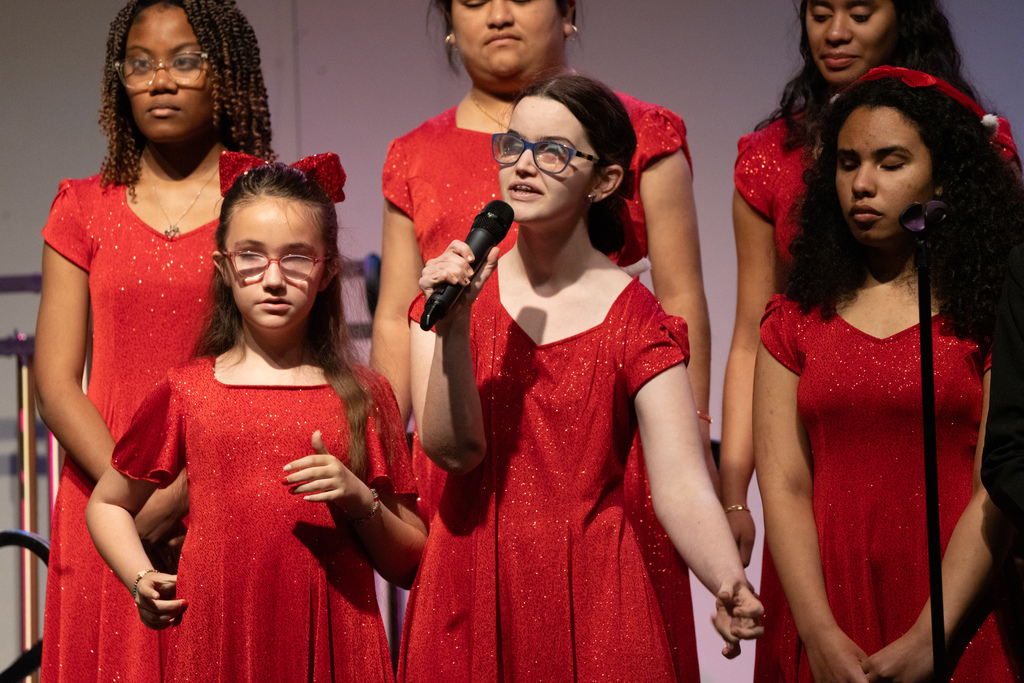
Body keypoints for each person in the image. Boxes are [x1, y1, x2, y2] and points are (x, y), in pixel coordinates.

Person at [374, 2, 711, 674]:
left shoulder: (643, 131)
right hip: (469, 455)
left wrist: (698, 465)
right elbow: (396, 315)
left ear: (567, 13)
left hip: (606, 472)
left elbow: (678, 301)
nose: (498, 12)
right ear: (447, 20)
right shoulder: (416, 154)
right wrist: (388, 463)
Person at [717, 2, 1019, 675]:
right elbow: (787, 486)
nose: (862, 183)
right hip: (824, 598)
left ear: (944, 178)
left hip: (955, 601)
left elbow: (995, 486)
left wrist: (929, 636)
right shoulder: (794, 322)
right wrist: (819, 634)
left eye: (889, 162)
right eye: (849, 162)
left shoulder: (986, 315)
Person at [85, 154, 426, 682]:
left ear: (327, 269)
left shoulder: (364, 395)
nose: (272, 279)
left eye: (295, 259)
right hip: (218, 637)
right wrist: (140, 578)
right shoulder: (189, 390)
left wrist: (361, 500)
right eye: (251, 257)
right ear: (223, 266)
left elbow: (409, 561)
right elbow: (107, 503)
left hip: (336, 635)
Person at [34, 0, 274, 679]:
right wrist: (131, 495)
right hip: (105, 503)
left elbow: (284, 365)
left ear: (224, 71)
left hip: (229, 494)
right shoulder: (82, 206)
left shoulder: (267, 203)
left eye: (184, 60)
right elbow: (55, 384)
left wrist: (186, 490)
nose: (159, 80)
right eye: (139, 64)